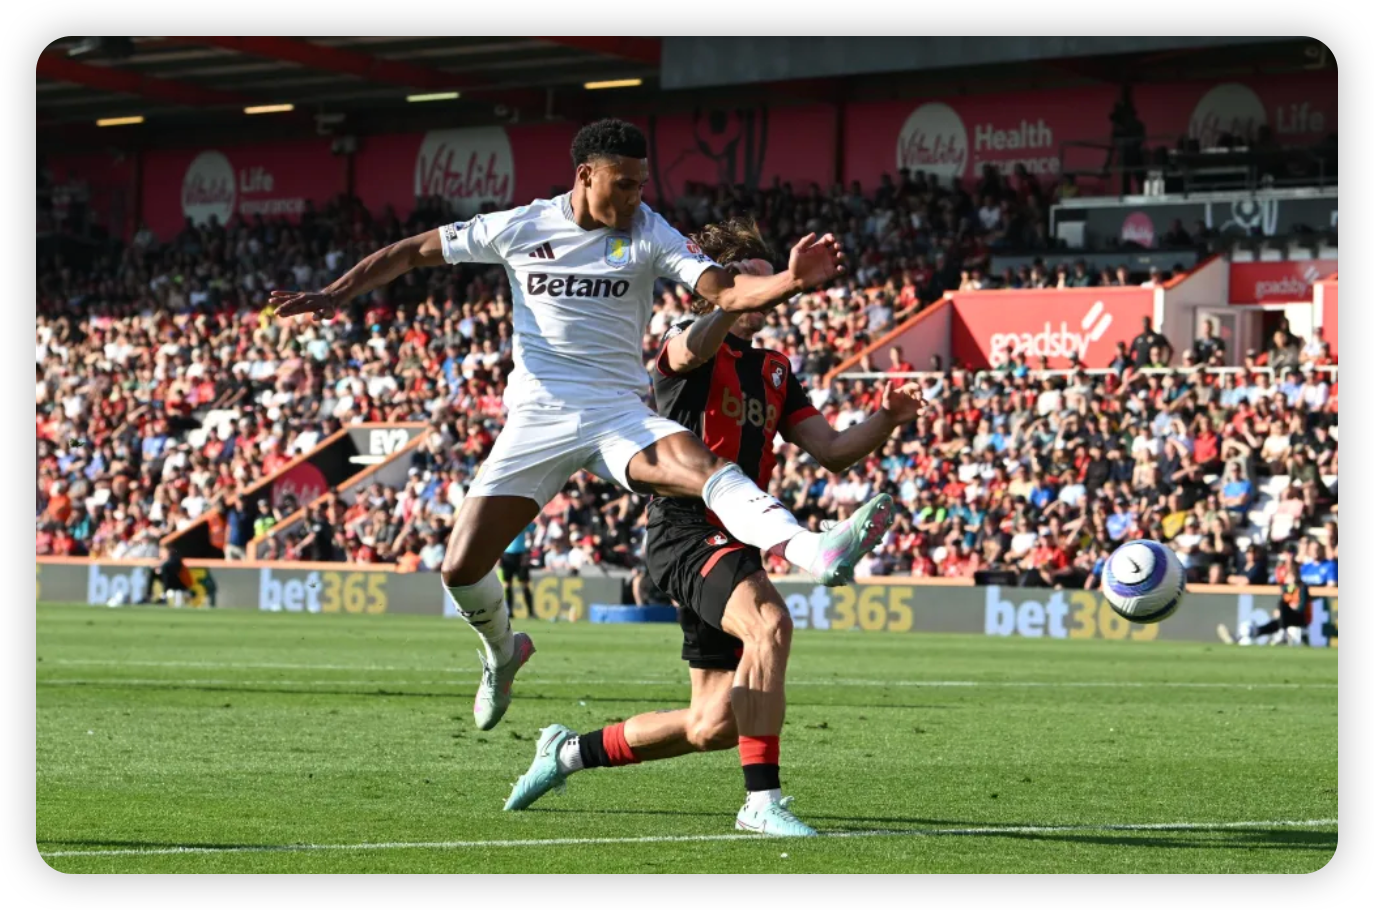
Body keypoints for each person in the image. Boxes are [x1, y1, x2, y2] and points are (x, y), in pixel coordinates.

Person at [273, 120, 894, 732]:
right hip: (539, 417)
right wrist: (337, 293)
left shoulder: (651, 232)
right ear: (585, 175)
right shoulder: (520, 226)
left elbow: (725, 295)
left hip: (616, 412)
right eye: (623, 184)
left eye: (642, 184)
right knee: (460, 569)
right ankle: (501, 652)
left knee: (703, 467)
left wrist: (789, 282)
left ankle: (810, 548)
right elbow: (413, 252)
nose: (635, 197)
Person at [501, 218, 926, 837]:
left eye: (767, 286)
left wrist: (885, 419)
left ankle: (567, 752)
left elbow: (832, 449)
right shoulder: (686, 341)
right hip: (684, 527)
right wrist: (736, 299)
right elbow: (691, 349)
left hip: (738, 534)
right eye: (748, 286)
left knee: (712, 725)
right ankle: (762, 803)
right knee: (771, 623)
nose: (764, 298)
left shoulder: (775, 369)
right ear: (714, 291)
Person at [499, 521, 536, 617]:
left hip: (521, 556)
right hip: (507, 555)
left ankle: (530, 612)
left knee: (524, 584)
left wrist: (529, 550)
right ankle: (510, 612)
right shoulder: (504, 523)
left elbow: (532, 530)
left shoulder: (523, 521)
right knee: (507, 585)